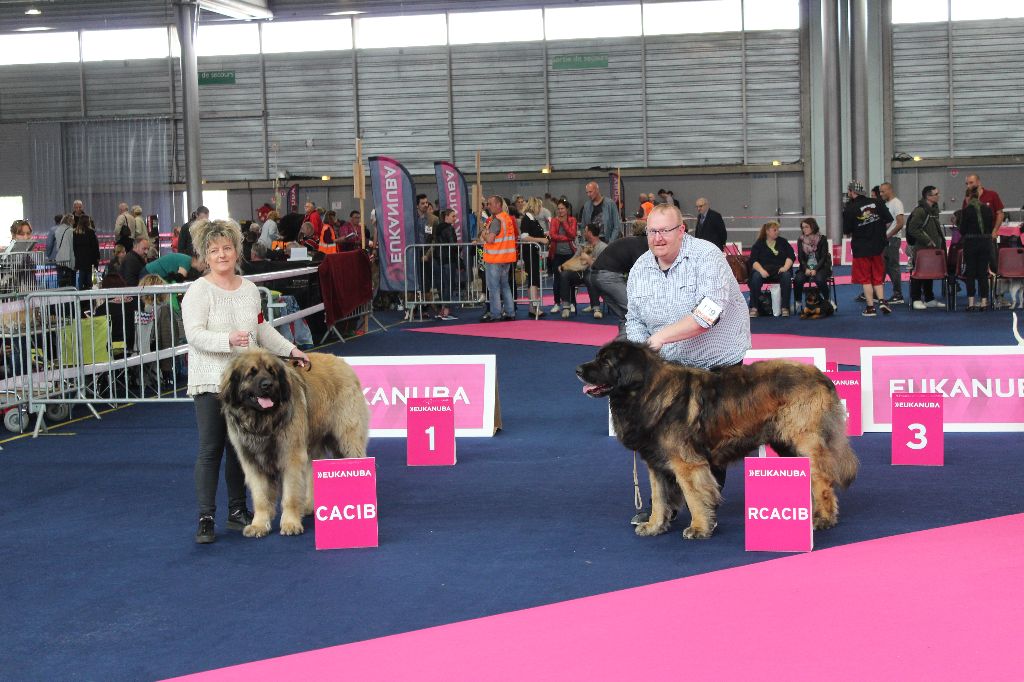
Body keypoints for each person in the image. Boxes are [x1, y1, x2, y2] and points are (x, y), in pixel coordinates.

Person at [181, 218, 310, 544]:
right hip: (212, 382)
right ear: (204, 256)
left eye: (227, 248)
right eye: (214, 250)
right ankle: (206, 516)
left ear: (237, 251)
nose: (222, 255)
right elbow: (193, 335)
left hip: (248, 387)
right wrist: (228, 340)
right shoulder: (198, 291)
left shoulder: (250, 289)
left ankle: (238, 509)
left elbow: (261, 329)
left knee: (242, 449)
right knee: (211, 448)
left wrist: (292, 350)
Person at [626, 204, 751, 519]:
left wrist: (661, 337)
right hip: (668, 368)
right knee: (664, 438)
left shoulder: (707, 257)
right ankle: (665, 506)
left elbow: (707, 315)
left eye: (665, 231)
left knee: (711, 441)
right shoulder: (639, 268)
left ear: (682, 230)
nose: (658, 238)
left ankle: (705, 505)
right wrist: (640, 352)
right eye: (652, 232)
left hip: (716, 363)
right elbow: (634, 319)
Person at [843, 180, 893, 317]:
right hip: (878, 245)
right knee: (877, 276)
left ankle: (870, 308)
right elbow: (889, 220)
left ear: (852, 192)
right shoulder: (877, 202)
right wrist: (880, 232)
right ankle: (882, 300)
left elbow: (846, 230)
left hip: (861, 247)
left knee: (866, 278)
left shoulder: (849, 209)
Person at [589, 220, 649, 334]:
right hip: (608, 277)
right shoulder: (642, 244)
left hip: (595, 276)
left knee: (625, 315)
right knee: (632, 313)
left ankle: (621, 348)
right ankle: (623, 347)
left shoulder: (631, 241)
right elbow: (639, 272)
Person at [906, 186, 946, 310]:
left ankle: (929, 298)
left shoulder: (933, 210)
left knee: (929, 272)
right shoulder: (920, 211)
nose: (938, 196)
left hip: (931, 249)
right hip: (921, 249)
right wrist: (927, 241)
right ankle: (916, 299)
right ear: (928, 196)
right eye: (936, 194)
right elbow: (912, 229)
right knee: (918, 273)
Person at [479, 195, 517, 323]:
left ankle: (496, 313)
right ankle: (510, 312)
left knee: (494, 287)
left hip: (495, 258)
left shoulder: (496, 221)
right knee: (505, 286)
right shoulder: (507, 218)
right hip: (506, 258)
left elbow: (490, 239)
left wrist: (483, 233)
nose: (488, 206)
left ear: (498, 205)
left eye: (490, 204)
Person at [747, 221, 796, 317]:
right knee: (755, 277)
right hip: (763, 271)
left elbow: (791, 256)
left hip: (779, 270)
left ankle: (785, 307)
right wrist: (761, 270)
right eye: (775, 230)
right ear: (767, 231)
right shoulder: (759, 244)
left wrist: (785, 267)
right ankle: (754, 307)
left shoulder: (783, 242)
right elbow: (753, 260)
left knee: (786, 276)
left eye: (778, 230)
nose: (777, 232)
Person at [558, 223, 606, 319]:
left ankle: (596, 308)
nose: (583, 233)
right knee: (564, 275)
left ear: (590, 233)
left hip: (596, 273)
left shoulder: (603, 247)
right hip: (580, 272)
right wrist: (563, 266)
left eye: (585, 231)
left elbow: (600, 266)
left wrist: (588, 259)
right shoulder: (583, 246)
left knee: (589, 277)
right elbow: (574, 258)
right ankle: (566, 307)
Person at [959, 185, 995, 311]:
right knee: (983, 273)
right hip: (985, 243)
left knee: (970, 273)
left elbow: (962, 230)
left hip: (971, 243)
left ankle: (971, 303)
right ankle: (984, 302)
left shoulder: (966, 210)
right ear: (978, 196)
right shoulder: (987, 209)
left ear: (968, 197)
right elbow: (991, 227)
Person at [518, 198, 549, 317]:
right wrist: (540, 239)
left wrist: (544, 235)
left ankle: (532, 307)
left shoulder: (531, 218)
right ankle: (535, 307)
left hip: (533, 251)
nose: (540, 209)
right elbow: (524, 237)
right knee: (533, 280)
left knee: (533, 279)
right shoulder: (527, 218)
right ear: (535, 206)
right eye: (539, 206)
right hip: (530, 252)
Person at [792, 218, 832, 310]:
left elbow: (823, 257)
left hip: (821, 267)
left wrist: (815, 269)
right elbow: (801, 258)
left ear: (813, 227)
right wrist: (806, 269)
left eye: (806, 227)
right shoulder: (801, 240)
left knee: (819, 279)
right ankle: (798, 302)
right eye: (803, 227)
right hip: (805, 267)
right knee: (798, 279)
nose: (804, 229)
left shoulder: (822, 238)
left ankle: (827, 300)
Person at [547, 200, 577, 314]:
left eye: (562, 208)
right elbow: (552, 235)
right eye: (558, 209)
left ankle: (572, 303)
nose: (560, 211)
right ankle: (557, 303)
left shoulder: (572, 220)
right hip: (557, 254)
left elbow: (573, 234)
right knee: (557, 280)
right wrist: (567, 237)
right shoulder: (554, 220)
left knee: (571, 279)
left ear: (567, 209)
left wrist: (564, 223)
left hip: (570, 254)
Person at [878, 182, 906, 304]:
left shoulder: (896, 203)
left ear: (890, 190)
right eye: (880, 191)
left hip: (892, 239)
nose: (881, 194)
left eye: (883, 191)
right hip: (887, 239)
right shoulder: (886, 204)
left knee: (893, 267)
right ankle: (879, 293)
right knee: (884, 267)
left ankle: (898, 294)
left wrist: (888, 236)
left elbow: (900, 223)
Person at [72, 213, 100, 290]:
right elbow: (95, 246)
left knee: (81, 274)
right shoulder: (91, 232)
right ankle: (90, 291)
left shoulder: (75, 233)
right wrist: (97, 257)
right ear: (88, 222)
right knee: (90, 276)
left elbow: (74, 247)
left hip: (80, 258)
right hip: (90, 258)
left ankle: (80, 291)